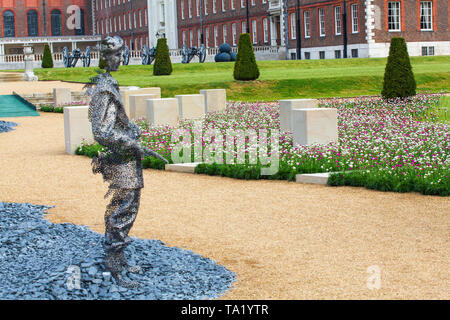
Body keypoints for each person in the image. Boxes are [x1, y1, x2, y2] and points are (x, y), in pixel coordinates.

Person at [87, 36, 167, 288]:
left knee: (128, 208)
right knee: (122, 211)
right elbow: (101, 131)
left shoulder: (110, 83)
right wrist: (130, 142)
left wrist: (131, 129)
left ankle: (119, 259)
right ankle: (114, 265)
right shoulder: (103, 89)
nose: (120, 59)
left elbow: (115, 123)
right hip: (120, 160)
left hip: (127, 159)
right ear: (104, 57)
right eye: (116, 55)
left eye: (121, 54)